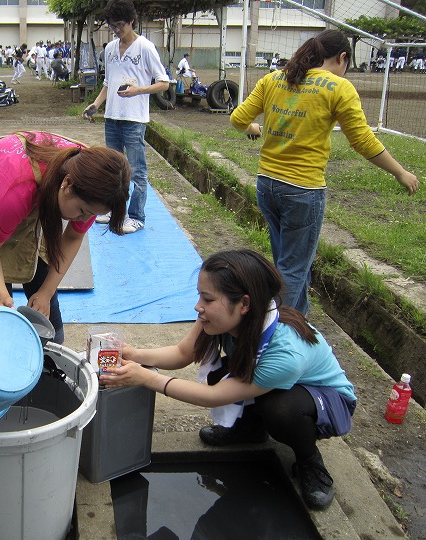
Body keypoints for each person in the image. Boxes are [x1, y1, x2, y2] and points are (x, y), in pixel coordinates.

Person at [100, 249, 358, 511]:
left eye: (207, 299)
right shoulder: (221, 317)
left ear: (244, 304)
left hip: (322, 399)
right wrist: (134, 353)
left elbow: (215, 396)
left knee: (280, 409)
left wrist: (146, 378)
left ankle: (309, 460)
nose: (198, 306)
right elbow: (182, 353)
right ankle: (252, 429)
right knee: (228, 373)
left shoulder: (286, 353)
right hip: (271, 382)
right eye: (200, 295)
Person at [230, 29, 419, 315]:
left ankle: (300, 326)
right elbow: (363, 141)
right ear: (343, 57)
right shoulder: (338, 88)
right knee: (292, 270)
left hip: (267, 184)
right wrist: (400, 172)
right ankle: (274, 334)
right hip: (302, 191)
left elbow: (238, 118)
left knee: (291, 263)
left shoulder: (274, 78)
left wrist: (254, 128)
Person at [0, 131, 130, 344]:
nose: (84, 219)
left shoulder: (92, 185)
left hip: (33, 188)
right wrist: (2, 297)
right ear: (68, 183)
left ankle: (50, 351)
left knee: (47, 309)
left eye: (92, 214)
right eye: (82, 211)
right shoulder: (18, 191)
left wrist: (46, 292)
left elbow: (73, 237)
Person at [82, 0, 169, 234]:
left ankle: (137, 216)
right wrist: (96, 105)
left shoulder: (145, 48)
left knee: (136, 170)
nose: (117, 30)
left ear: (132, 21)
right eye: (112, 26)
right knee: (113, 168)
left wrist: (138, 90)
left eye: (120, 25)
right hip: (112, 117)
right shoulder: (110, 49)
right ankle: (112, 210)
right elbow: (108, 83)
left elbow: (164, 82)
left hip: (134, 119)